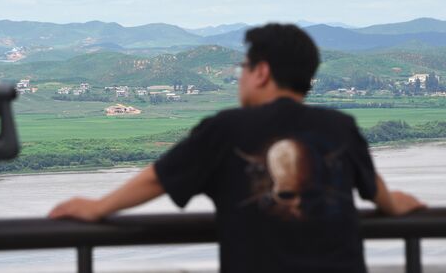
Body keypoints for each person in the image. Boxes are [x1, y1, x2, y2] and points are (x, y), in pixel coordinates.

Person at [49, 23, 426, 273]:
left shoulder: (226, 128)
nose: (240, 77)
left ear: (261, 72)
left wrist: (97, 207)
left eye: (243, 68)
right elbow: (377, 192)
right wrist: (397, 204)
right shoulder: (340, 126)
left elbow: (158, 179)